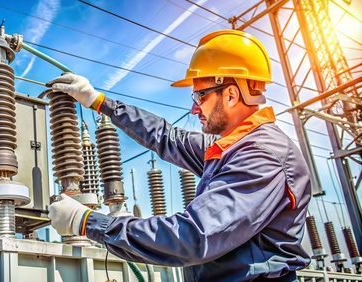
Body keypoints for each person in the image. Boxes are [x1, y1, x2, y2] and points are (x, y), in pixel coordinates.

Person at [46, 29, 312, 281]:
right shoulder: (230, 149)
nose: (194, 109)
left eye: (200, 96)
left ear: (231, 94)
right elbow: (166, 136)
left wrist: (87, 222)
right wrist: (99, 101)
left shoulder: (260, 156)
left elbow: (192, 237)